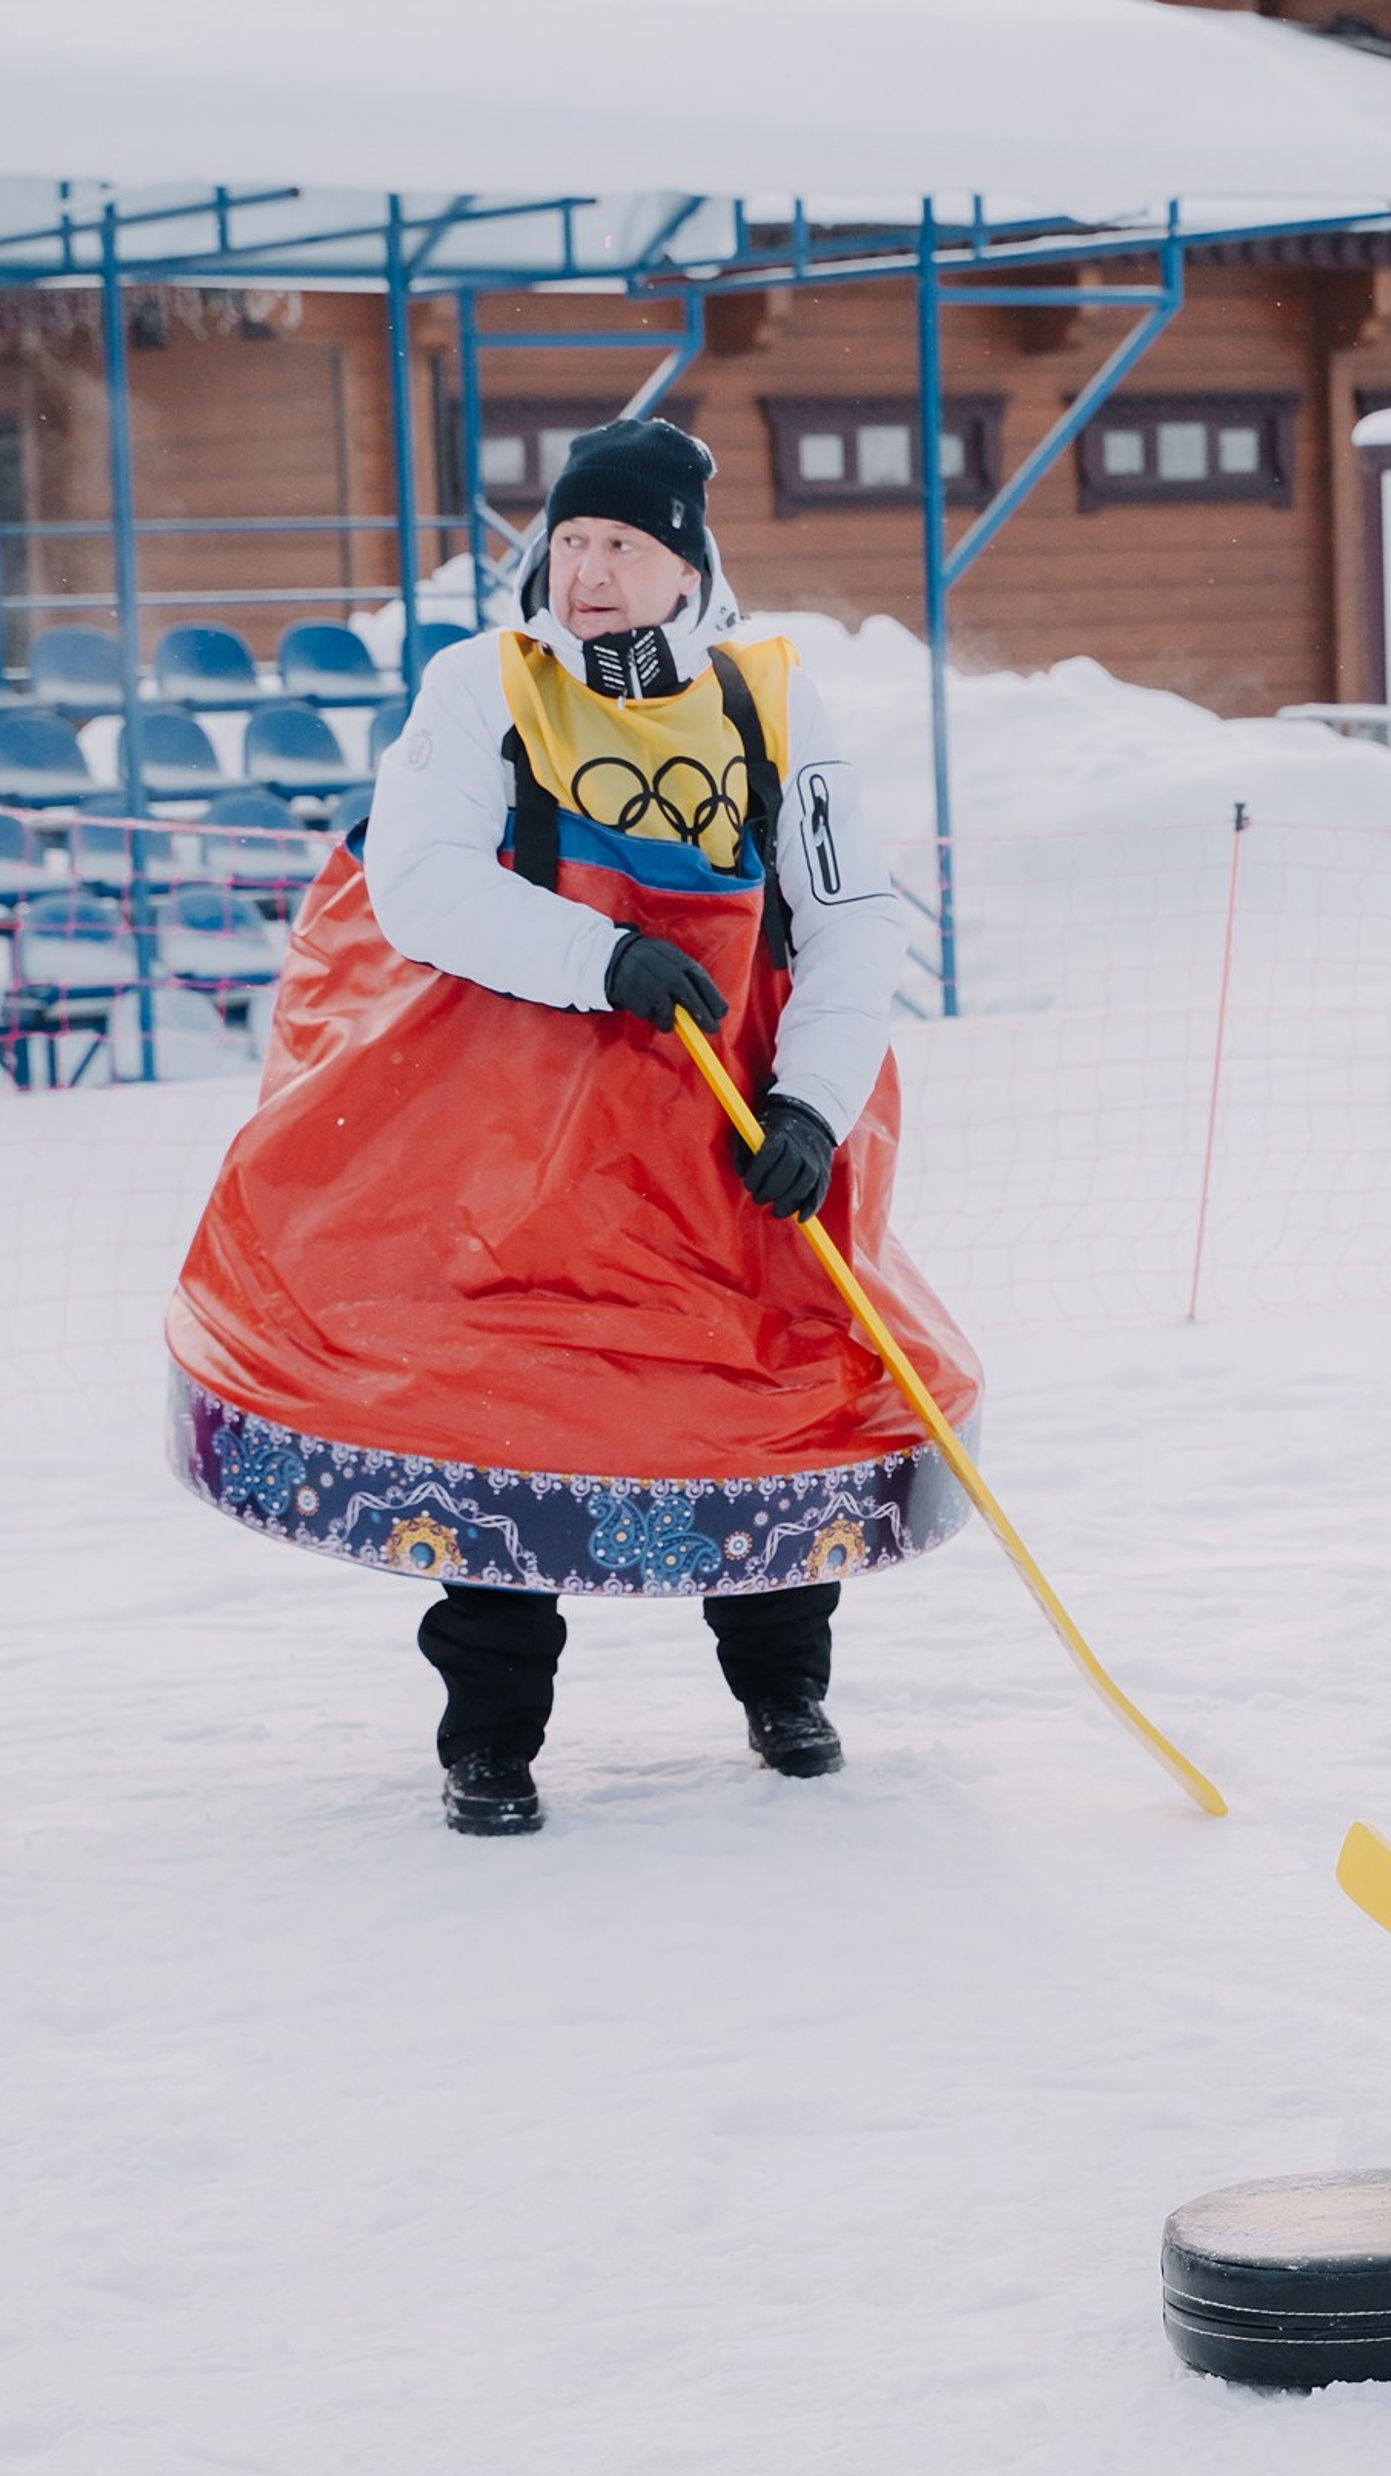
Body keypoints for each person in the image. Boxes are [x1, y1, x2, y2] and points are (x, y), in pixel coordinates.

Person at [168, 419, 980, 1837]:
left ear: (687, 565)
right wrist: (596, 957)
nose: (588, 572)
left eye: (624, 545)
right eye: (573, 542)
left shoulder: (777, 706)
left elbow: (850, 923)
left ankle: (783, 1682)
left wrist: (813, 1103)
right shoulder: (485, 683)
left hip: (719, 1135)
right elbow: (419, 878)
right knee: (511, 1414)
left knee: (759, 1394)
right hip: (522, 1144)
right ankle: (490, 1738)